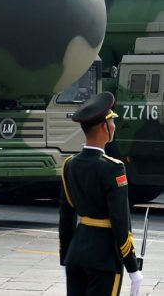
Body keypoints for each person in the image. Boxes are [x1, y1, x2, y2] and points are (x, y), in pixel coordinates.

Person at [59, 92, 143, 296]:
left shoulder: (69, 165)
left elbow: (66, 218)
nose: (114, 126)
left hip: (76, 256)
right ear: (105, 127)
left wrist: (67, 255)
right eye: (112, 121)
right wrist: (133, 268)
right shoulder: (113, 168)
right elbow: (121, 223)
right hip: (104, 259)